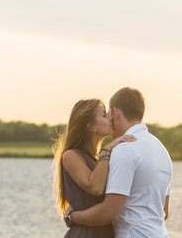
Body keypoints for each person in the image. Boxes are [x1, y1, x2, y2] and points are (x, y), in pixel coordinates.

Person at [64, 87, 173, 238]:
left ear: (116, 113)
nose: (109, 118)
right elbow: (164, 212)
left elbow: (110, 212)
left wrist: (72, 217)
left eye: (108, 113)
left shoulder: (125, 149)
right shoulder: (161, 150)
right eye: (104, 115)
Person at [53, 98, 136, 238]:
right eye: (104, 115)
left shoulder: (99, 160)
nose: (110, 117)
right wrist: (106, 150)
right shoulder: (71, 155)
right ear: (92, 126)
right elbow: (95, 187)